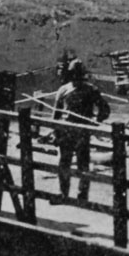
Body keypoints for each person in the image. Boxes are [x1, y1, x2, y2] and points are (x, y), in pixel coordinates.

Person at [52, 59, 110, 201]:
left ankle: (82, 195)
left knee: (82, 165)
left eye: (79, 75)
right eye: (74, 75)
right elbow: (55, 116)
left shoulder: (91, 90)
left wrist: (95, 121)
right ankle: (63, 193)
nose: (76, 78)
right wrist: (56, 133)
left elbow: (105, 110)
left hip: (83, 132)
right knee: (64, 163)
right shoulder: (63, 90)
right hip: (66, 132)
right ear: (71, 75)